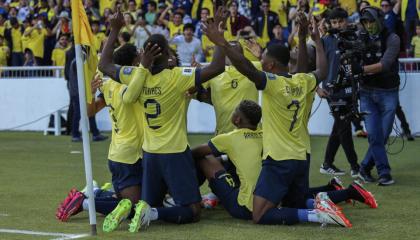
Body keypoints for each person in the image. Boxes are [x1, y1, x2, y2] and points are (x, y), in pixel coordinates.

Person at [204, 11, 353, 226]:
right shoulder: (303, 81)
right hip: (301, 157)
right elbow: (321, 69)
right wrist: (313, 40)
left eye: (263, 59)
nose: (260, 61)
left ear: (271, 66)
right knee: (294, 204)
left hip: (278, 159)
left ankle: (318, 215)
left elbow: (245, 68)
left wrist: (223, 43)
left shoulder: (272, 83)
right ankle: (323, 205)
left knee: (259, 214)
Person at [98, 7, 226, 231]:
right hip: (174, 152)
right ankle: (153, 213)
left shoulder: (134, 74)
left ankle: (144, 209)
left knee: (149, 200)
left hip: (149, 153)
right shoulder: (177, 76)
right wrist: (219, 38)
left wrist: (115, 29)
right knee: (193, 211)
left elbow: (104, 65)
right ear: (166, 54)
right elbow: (216, 67)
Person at [192, 100, 377, 221]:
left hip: (245, 206)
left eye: (234, 112)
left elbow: (197, 152)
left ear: (237, 119)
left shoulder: (229, 138)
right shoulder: (266, 132)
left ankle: (194, 199)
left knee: (206, 159)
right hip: (275, 192)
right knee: (298, 198)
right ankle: (337, 191)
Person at [357, 7, 401, 186]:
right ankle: (384, 172)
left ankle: (364, 168)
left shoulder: (393, 38)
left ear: (380, 20)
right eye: (365, 22)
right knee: (375, 135)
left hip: (388, 91)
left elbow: (385, 64)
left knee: (382, 135)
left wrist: (360, 70)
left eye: (371, 21)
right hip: (366, 92)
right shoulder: (359, 38)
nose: (368, 25)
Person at [316, 8, 360, 177]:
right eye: (334, 22)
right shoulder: (325, 40)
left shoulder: (353, 37)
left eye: (341, 21)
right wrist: (317, 88)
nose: (338, 25)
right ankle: (355, 167)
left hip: (351, 90)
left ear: (347, 21)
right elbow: (312, 68)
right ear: (330, 24)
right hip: (332, 92)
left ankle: (327, 163)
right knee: (344, 127)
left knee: (339, 126)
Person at [64, 44, 108, 142]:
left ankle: (94, 133)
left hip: (81, 91)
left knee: (90, 111)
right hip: (78, 92)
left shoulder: (79, 62)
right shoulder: (78, 62)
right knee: (78, 113)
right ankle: (75, 134)